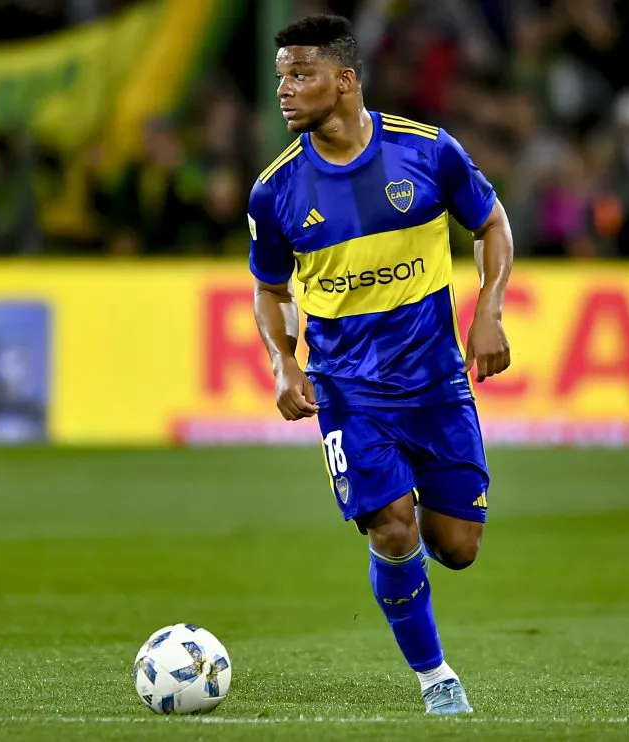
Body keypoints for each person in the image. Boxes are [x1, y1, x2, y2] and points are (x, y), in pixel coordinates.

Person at [248, 15, 514, 715]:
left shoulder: (427, 153)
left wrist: (488, 308)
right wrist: (283, 360)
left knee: (457, 547)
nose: (285, 89)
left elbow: (492, 224)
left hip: (435, 383)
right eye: (280, 76)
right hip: (347, 391)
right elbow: (269, 290)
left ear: (345, 80)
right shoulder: (274, 192)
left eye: (300, 74)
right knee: (391, 523)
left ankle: (411, 524)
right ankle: (436, 678)